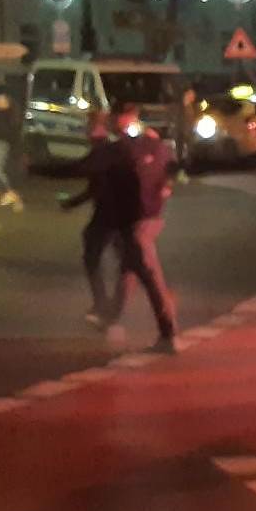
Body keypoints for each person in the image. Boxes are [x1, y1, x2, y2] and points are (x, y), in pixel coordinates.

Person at [66, 104, 181, 354]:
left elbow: (83, 172)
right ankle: (112, 317)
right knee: (130, 269)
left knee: (148, 275)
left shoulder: (122, 149)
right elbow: (171, 167)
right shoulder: (142, 145)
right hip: (137, 219)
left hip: (130, 220)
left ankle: (168, 333)